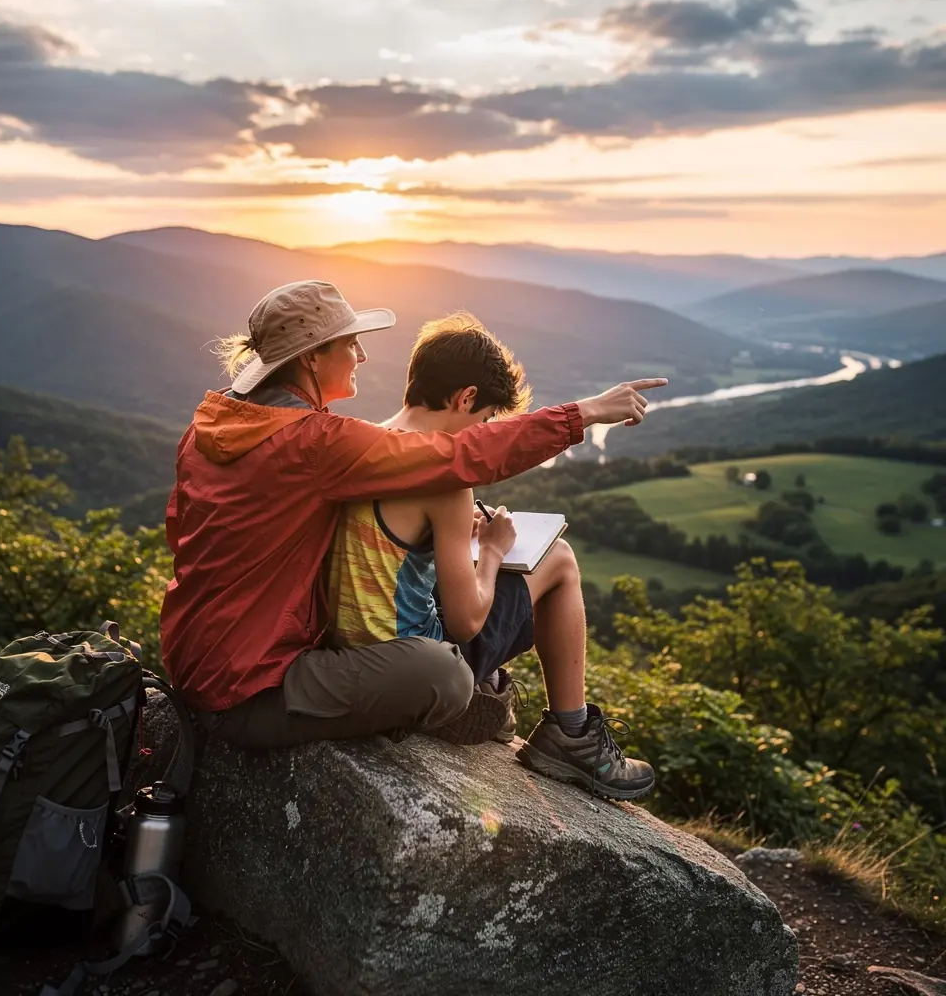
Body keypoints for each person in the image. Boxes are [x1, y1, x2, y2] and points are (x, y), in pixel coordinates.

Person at [160, 279, 666, 752]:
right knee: (444, 675)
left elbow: (182, 532)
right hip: (249, 691)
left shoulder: (213, 425)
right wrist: (583, 413)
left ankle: (479, 695)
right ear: (313, 358)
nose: (360, 353)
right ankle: (497, 710)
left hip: (193, 662)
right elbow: (462, 455)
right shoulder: (312, 443)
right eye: (348, 343)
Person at [327, 314, 653, 800]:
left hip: (346, 652)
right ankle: (571, 734)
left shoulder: (366, 441)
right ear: (466, 398)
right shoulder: (446, 477)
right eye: (485, 421)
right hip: (408, 664)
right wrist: (494, 550)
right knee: (558, 559)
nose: (483, 434)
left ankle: (512, 699)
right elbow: (466, 622)